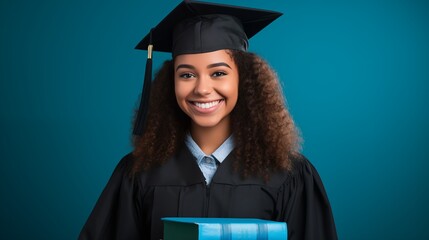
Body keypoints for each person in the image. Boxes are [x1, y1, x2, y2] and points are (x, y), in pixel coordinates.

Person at [79, 1, 337, 239]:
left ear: (244, 79)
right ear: (171, 82)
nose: (202, 88)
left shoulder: (289, 175)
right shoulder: (138, 174)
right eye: (187, 75)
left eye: (218, 73)